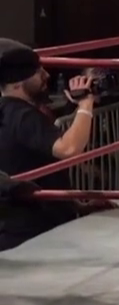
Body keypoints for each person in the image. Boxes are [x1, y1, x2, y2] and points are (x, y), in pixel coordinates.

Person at [0, 40, 96, 251]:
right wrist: (86, 103)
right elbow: (69, 149)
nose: (46, 75)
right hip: (33, 232)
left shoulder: (10, 111)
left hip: (28, 224)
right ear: (17, 83)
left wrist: (74, 203)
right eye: (37, 72)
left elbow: (26, 165)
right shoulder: (22, 115)